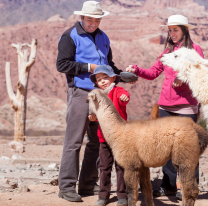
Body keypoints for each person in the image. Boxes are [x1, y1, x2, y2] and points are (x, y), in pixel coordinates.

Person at [125, 15, 204, 201]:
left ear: (184, 30)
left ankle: (191, 189)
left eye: (175, 29)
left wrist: (182, 79)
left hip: (186, 106)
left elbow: (199, 73)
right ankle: (168, 187)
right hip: (165, 107)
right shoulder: (167, 52)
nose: (172, 33)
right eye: (170, 30)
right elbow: (153, 73)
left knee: (188, 151)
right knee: (167, 150)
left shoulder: (195, 50)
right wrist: (136, 70)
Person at [56, 1, 124, 202]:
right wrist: (89, 67)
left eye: (97, 20)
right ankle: (67, 187)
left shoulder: (103, 37)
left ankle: (87, 184)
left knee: (96, 141)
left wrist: (121, 75)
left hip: (102, 96)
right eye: (89, 19)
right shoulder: (70, 36)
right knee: (74, 141)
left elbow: (108, 65)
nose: (93, 23)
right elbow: (62, 64)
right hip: (80, 93)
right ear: (82, 17)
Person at [89, 65, 129, 206]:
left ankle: (122, 195)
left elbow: (124, 97)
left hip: (120, 137)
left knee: (121, 166)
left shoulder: (118, 91)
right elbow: (95, 113)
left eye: (105, 77)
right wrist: (93, 117)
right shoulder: (97, 96)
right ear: (96, 83)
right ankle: (103, 195)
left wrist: (124, 98)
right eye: (99, 79)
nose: (103, 81)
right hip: (104, 137)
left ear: (113, 78)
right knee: (104, 166)